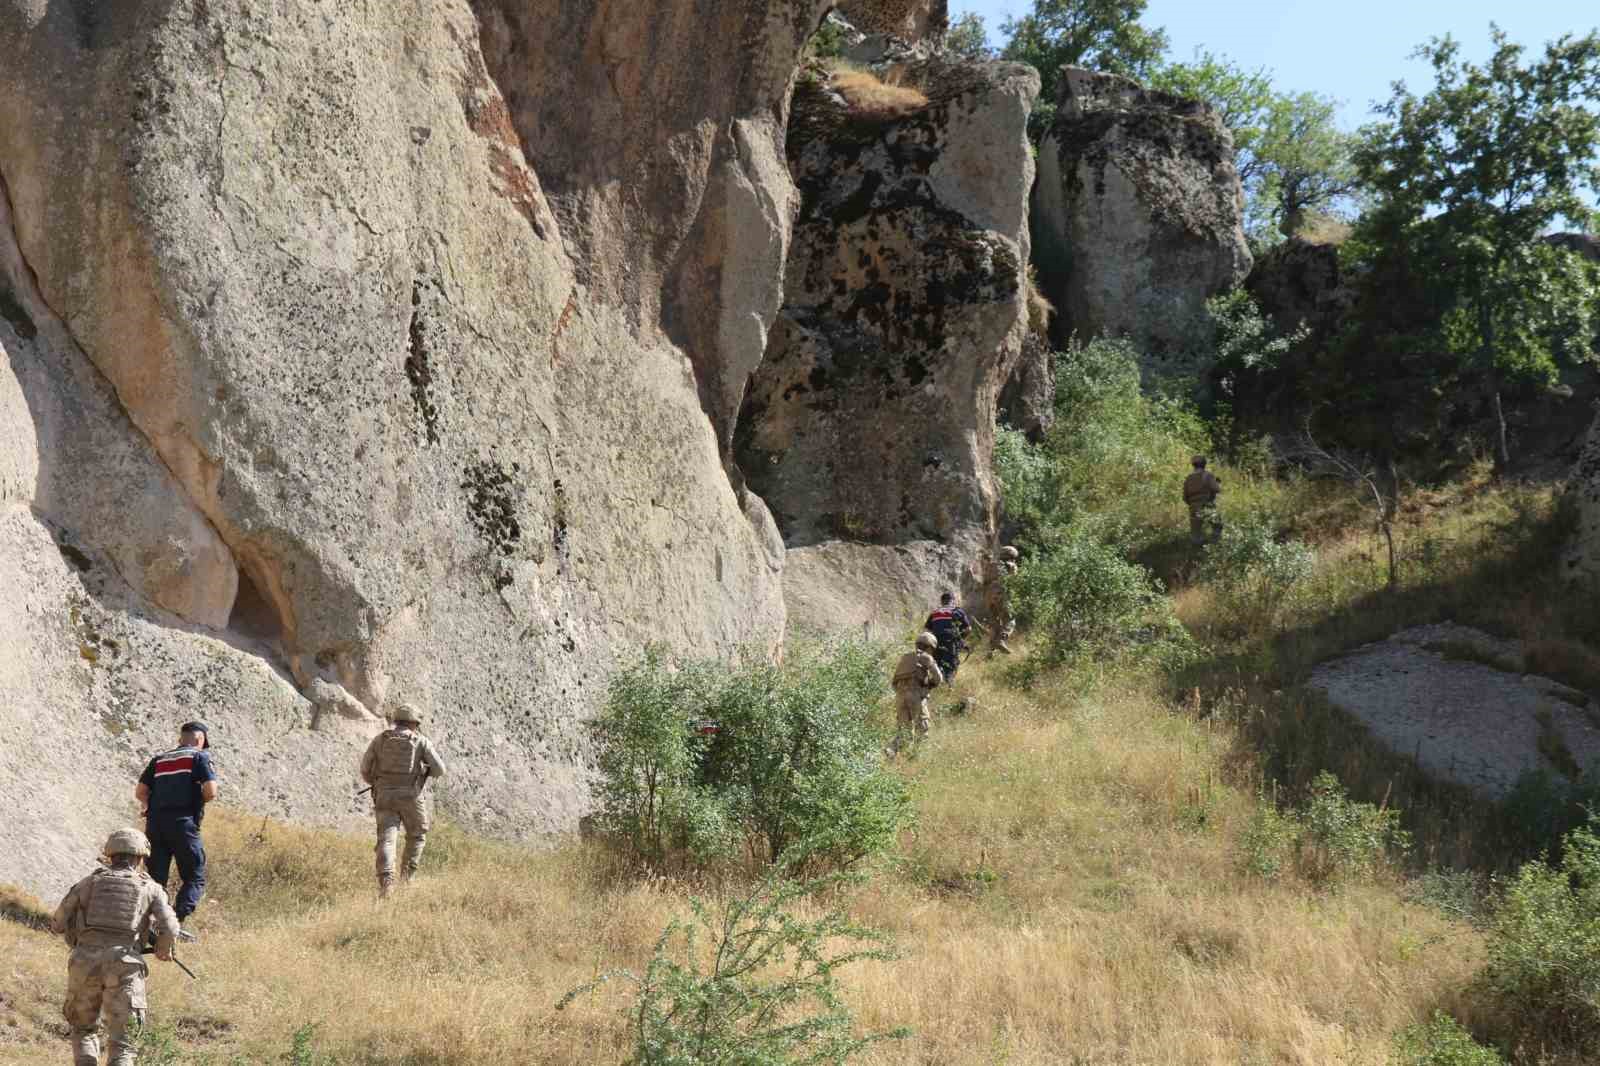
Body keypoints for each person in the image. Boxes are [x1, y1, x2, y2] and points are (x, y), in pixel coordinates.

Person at [52, 828, 180, 1066]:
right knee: (124, 1043)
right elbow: (171, 928)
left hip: (84, 963)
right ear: (140, 858)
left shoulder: (88, 882)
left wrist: (79, 939)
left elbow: (58, 922)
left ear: (110, 855)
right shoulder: (150, 888)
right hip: (125, 965)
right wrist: (163, 949)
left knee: (83, 1030)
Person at [136, 721, 217, 940]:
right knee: (194, 876)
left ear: (181, 739)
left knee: (155, 879)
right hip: (183, 824)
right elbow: (210, 792)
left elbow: (141, 791)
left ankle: (147, 926)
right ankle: (174, 924)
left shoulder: (159, 759)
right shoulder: (200, 757)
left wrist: (148, 807)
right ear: (200, 740)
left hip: (155, 825)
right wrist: (192, 802)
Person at [359, 703, 447, 897]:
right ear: (414, 722)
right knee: (417, 835)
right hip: (410, 796)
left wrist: (378, 783)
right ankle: (407, 880)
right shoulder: (421, 741)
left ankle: (386, 884)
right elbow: (440, 769)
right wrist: (424, 771)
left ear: (396, 720)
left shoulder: (380, 740)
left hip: (384, 796)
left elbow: (365, 769)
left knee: (387, 839)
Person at [889, 632, 944, 754]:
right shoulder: (926, 657)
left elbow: (894, 681)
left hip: (900, 696)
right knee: (923, 727)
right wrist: (930, 685)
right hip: (915, 696)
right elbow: (939, 678)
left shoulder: (905, 657)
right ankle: (917, 756)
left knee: (903, 730)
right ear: (930, 647)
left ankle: (891, 751)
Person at [922, 591, 971, 683]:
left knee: (936, 667)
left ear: (942, 602)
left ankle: (937, 685)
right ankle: (948, 688)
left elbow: (926, 631)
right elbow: (968, 629)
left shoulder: (934, 613)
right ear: (952, 601)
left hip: (935, 644)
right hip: (951, 643)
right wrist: (960, 640)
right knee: (950, 669)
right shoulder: (958, 611)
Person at [987, 545, 1020, 656]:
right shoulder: (1011, 566)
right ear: (1012, 556)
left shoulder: (991, 565)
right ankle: (1001, 639)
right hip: (1003, 595)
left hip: (989, 597)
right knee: (1010, 620)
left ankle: (990, 651)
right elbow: (1014, 582)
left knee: (995, 623)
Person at [1183, 455, 1223, 546]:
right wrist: (1218, 483)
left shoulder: (1188, 478)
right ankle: (1214, 546)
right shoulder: (1208, 475)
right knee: (1217, 526)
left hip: (1193, 508)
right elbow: (1217, 489)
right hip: (1207, 505)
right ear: (1204, 464)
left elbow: (1185, 497)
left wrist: (1193, 504)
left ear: (1193, 465)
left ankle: (1196, 552)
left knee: (1195, 534)